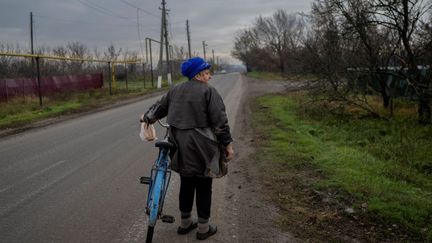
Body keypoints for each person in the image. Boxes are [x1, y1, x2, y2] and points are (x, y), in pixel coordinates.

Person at [141, 57, 234, 240]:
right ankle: (203, 228)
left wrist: (147, 118)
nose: (210, 76)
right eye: (207, 73)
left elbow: (158, 109)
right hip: (202, 145)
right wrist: (228, 145)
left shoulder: (175, 90)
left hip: (179, 144)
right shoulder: (209, 92)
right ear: (198, 74)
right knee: (204, 184)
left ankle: (185, 224)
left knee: (187, 182)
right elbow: (220, 123)